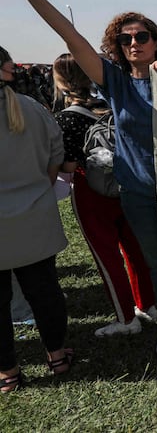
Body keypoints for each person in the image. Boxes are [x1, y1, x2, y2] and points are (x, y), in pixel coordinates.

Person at [1, 0, 157, 354]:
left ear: (156, 42)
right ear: (116, 46)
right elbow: (66, 32)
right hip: (138, 190)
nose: (134, 43)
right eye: (125, 39)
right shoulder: (115, 83)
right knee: (156, 261)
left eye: (142, 36)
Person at [52, 53, 157, 338]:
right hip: (127, 180)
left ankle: (125, 318)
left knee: (107, 257)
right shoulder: (109, 103)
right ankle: (147, 303)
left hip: (92, 190)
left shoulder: (66, 118)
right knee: (134, 247)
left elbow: (71, 165)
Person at [1, 45, 72, 392]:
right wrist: (37, 188)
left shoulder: (27, 108)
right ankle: (57, 355)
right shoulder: (31, 108)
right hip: (35, 214)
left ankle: (7, 373)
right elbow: (56, 153)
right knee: (45, 293)